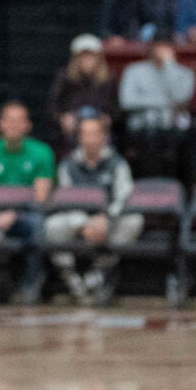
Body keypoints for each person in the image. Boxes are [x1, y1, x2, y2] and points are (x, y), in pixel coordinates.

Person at [45, 113, 137, 302]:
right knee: (51, 225)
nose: (89, 139)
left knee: (134, 220)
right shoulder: (68, 165)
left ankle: (100, 270)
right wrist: (83, 223)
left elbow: (124, 197)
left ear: (104, 137)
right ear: (79, 137)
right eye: (85, 134)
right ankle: (70, 275)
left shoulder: (117, 163)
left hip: (108, 221)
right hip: (78, 219)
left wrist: (106, 217)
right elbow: (66, 199)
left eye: (94, 133)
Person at [0, 100, 55, 301]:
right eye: (9, 120)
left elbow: (40, 197)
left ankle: (30, 283)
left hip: (25, 214)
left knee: (37, 224)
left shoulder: (42, 152)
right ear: (0, 124)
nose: (14, 125)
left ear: (28, 126)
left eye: (19, 121)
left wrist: (13, 214)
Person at [118, 40, 196, 185]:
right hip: (142, 125)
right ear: (151, 48)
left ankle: (191, 190)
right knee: (151, 134)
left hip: (173, 126)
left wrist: (169, 68)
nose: (162, 51)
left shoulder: (184, 73)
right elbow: (127, 101)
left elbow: (180, 98)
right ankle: (150, 188)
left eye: (166, 46)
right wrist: (164, 104)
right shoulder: (133, 70)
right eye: (159, 46)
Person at [45, 35, 116, 144]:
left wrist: (109, 118)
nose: (87, 60)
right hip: (73, 125)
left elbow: (116, 108)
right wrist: (62, 118)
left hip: (100, 125)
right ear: (76, 59)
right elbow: (53, 105)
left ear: (99, 58)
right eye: (83, 56)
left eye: (91, 56)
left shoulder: (109, 79)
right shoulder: (65, 77)